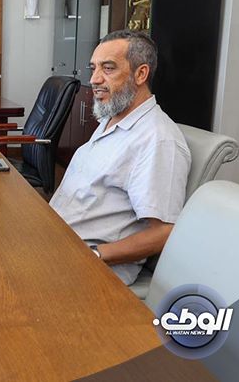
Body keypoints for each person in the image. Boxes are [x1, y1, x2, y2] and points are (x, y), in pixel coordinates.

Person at [49, 30, 191, 285]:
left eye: (108, 68)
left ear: (141, 74)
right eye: (93, 68)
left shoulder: (157, 139)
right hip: (54, 242)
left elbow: (165, 231)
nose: (94, 79)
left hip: (84, 266)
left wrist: (93, 255)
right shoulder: (111, 119)